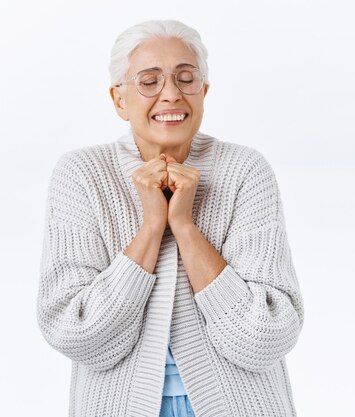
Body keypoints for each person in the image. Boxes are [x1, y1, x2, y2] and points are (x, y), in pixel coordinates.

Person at [36, 19, 304, 417]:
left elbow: (267, 335)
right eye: (149, 81)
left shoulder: (245, 170)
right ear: (119, 100)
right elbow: (75, 332)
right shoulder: (82, 174)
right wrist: (151, 226)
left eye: (185, 78)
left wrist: (184, 226)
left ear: (204, 92)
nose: (171, 95)